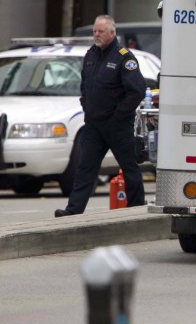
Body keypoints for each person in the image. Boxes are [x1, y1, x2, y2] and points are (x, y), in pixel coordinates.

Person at [55, 15, 146, 217]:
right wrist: (86, 105)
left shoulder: (124, 57)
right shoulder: (91, 55)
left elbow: (137, 90)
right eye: (95, 31)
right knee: (85, 168)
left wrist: (120, 114)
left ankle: (138, 210)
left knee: (129, 168)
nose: (96, 34)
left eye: (101, 31)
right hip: (94, 125)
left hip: (117, 125)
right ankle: (73, 210)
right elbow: (85, 85)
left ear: (112, 33)